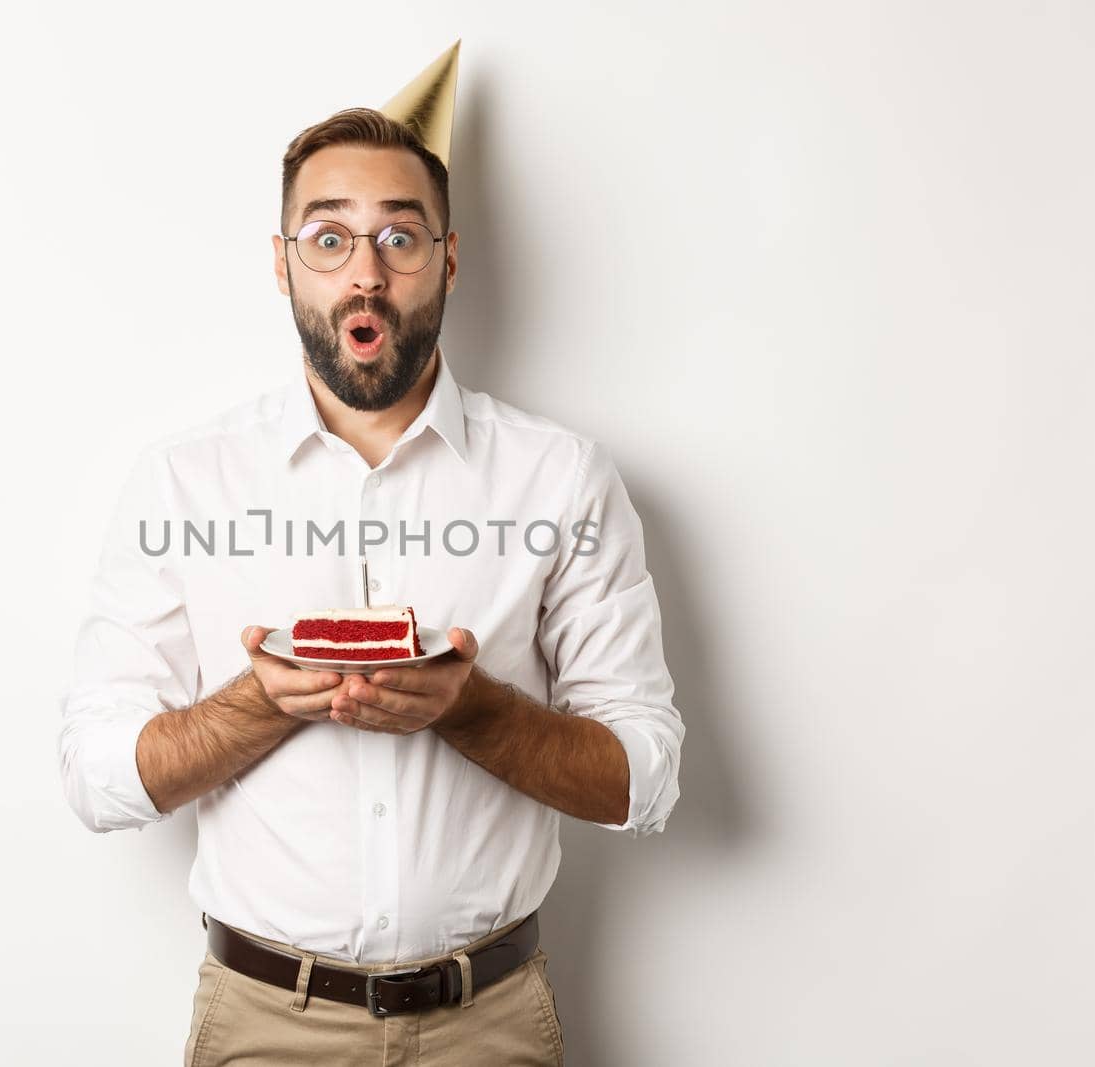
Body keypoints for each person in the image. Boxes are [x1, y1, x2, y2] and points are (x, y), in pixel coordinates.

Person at [57, 42, 684, 1067]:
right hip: (264, 1024)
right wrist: (264, 699)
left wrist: (470, 707)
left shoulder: (559, 479)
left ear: (447, 257)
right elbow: (95, 773)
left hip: (491, 1021)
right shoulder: (185, 482)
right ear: (280, 261)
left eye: (398, 235)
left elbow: (644, 777)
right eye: (328, 236)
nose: (365, 269)